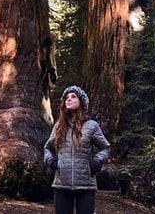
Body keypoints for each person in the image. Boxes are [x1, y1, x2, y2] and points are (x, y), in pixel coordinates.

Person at [44, 85, 110, 214]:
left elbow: (105, 148)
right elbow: (47, 148)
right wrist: (52, 162)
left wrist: (97, 160)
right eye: (66, 97)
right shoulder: (59, 126)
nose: (69, 99)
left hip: (86, 185)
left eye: (73, 96)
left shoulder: (92, 126)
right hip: (62, 184)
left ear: (82, 102)